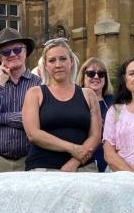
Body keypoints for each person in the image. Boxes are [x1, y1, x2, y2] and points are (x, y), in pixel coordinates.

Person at [21, 39, 100, 172]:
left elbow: (95, 135)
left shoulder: (88, 95)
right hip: (43, 168)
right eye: (52, 60)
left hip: (83, 167)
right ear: (45, 65)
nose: (58, 65)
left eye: (63, 59)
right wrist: (72, 148)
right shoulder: (35, 93)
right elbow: (33, 134)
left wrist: (74, 162)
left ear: (71, 62)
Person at [0, 28, 40, 174]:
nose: (12, 54)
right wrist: (0, 82)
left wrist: (1, 119)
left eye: (17, 50)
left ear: (25, 52)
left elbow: (38, 119)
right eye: (6, 52)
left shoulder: (39, 84)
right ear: (0, 58)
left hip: (29, 159)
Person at [78, 57, 113, 171]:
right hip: (83, 161)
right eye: (91, 73)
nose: (96, 77)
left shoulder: (115, 102)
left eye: (101, 73)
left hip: (111, 160)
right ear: (83, 77)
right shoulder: (74, 101)